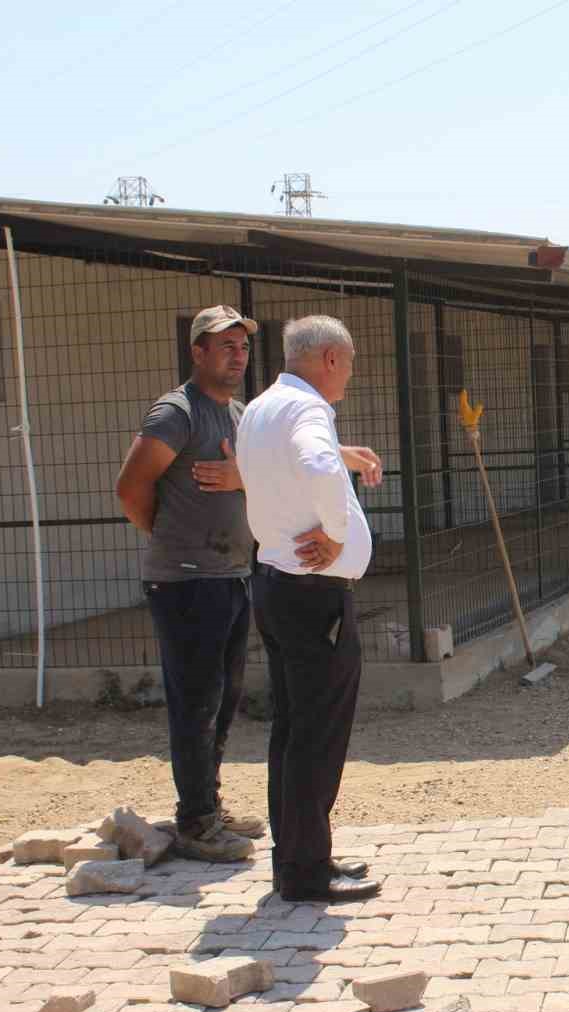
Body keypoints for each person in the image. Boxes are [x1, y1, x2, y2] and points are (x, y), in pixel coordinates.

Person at [236, 315, 383, 902]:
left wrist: (343, 454)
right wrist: (337, 534)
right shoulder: (307, 411)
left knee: (294, 730)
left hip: (276, 585)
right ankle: (306, 871)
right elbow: (316, 466)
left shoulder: (262, 408)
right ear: (328, 358)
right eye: (348, 364)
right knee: (317, 734)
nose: (349, 376)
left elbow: (294, 462)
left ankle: (297, 857)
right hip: (312, 594)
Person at [115, 305, 264, 863]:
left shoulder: (239, 415)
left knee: (222, 700)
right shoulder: (176, 412)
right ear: (197, 352)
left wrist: (242, 479)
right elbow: (131, 488)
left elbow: (258, 482)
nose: (237, 356)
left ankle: (209, 806)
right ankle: (196, 823)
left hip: (232, 574)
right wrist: (170, 536)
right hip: (186, 583)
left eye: (242, 346)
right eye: (224, 346)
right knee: (196, 702)